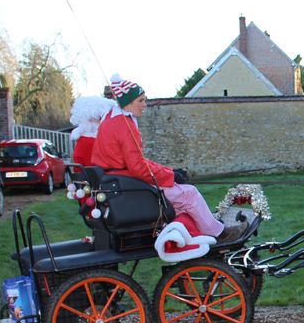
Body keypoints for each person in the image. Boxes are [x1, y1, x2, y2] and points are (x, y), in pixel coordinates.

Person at [90, 74, 234, 239]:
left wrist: (170, 171)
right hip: (129, 185)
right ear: (127, 103)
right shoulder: (125, 125)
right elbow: (137, 167)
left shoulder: (110, 120)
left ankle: (197, 230)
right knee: (190, 194)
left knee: (182, 194)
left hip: (120, 182)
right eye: (141, 100)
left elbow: (137, 161)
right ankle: (219, 233)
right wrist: (171, 176)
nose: (145, 105)